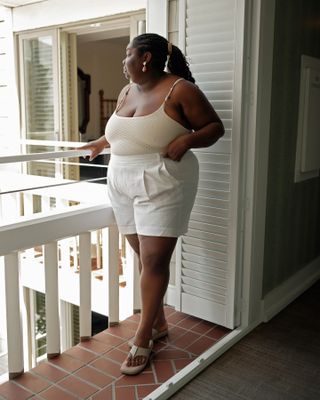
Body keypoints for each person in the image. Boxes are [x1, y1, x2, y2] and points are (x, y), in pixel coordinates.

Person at [80, 33, 224, 375]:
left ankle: (144, 336)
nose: (122, 61)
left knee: (155, 259)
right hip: (121, 182)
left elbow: (214, 127)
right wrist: (100, 142)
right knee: (143, 257)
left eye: (127, 54)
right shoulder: (128, 91)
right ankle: (158, 321)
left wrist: (188, 140)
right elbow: (124, 131)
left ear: (145, 57)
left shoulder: (180, 90)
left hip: (163, 181)